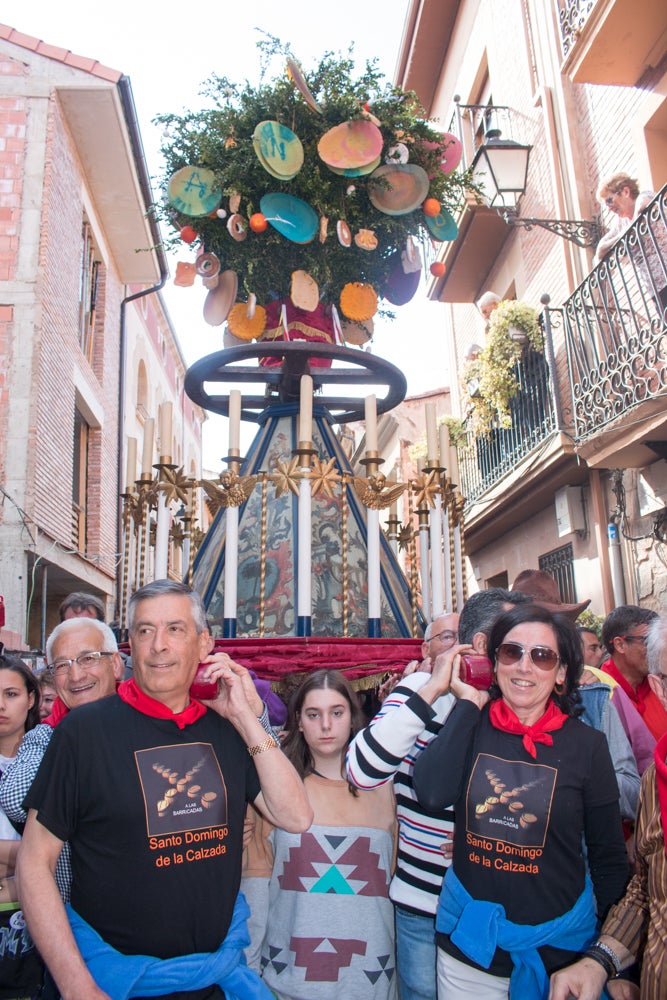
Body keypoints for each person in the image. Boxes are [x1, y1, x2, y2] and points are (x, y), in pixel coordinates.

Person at [17, 579, 312, 1000]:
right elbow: (33, 864)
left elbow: (295, 816)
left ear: (204, 643)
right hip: (113, 981)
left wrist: (245, 719)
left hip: (212, 979)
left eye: (174, 629)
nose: (158, 645)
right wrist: (77, 985)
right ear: (129, 647)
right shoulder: (83, 733)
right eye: (144, 631)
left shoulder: (226, 732)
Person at [413, 604, 629, 999]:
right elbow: (430, 793)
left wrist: (610, 961)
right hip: (470, 948)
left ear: (562, 673)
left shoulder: (587, 746)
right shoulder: (470, 725)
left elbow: (608, 859)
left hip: (563, 953)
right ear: (495, 662)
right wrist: (466, 704)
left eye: (542, 656)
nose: (524, 667)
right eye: (512, 653)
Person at [347, 591, 529, 1000]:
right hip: (425, 903)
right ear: (482, 646)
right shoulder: (420, 689)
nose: (523, 659)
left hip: (501, 903)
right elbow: (361, 772)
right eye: (514, 644)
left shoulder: (522, 701)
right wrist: (433, 689)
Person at [549, 614, 667, 1000]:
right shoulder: (658, 779)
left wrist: (580, 775)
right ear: (659, 688)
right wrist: (603, 960)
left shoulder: (598, 701)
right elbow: (646, 891)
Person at [260, 669, 397, 998]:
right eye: (313, 714)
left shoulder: (388, 787)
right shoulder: (276, 790)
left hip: (368, 981)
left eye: (336, 713)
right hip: (288, 979)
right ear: (299, 720)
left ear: (352, 718)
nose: (325, 725)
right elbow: (256, 882)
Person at [0, 618, 124, 901]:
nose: (76, 675)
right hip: (73, 911)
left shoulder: (146, 723)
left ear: (116, 664)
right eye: (62, 666)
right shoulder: (47, 735)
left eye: (88, 659)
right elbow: (16, 798)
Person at [0, 654, 43, 999]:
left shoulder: (52, 752)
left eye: (11, 694)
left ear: (31, 698)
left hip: (42, 918)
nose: (1, 705)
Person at [600, 605, 665, 743]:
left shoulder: (661, 682)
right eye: (648, 641)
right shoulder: (600, 693)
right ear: (620, 645)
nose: (655, 650)